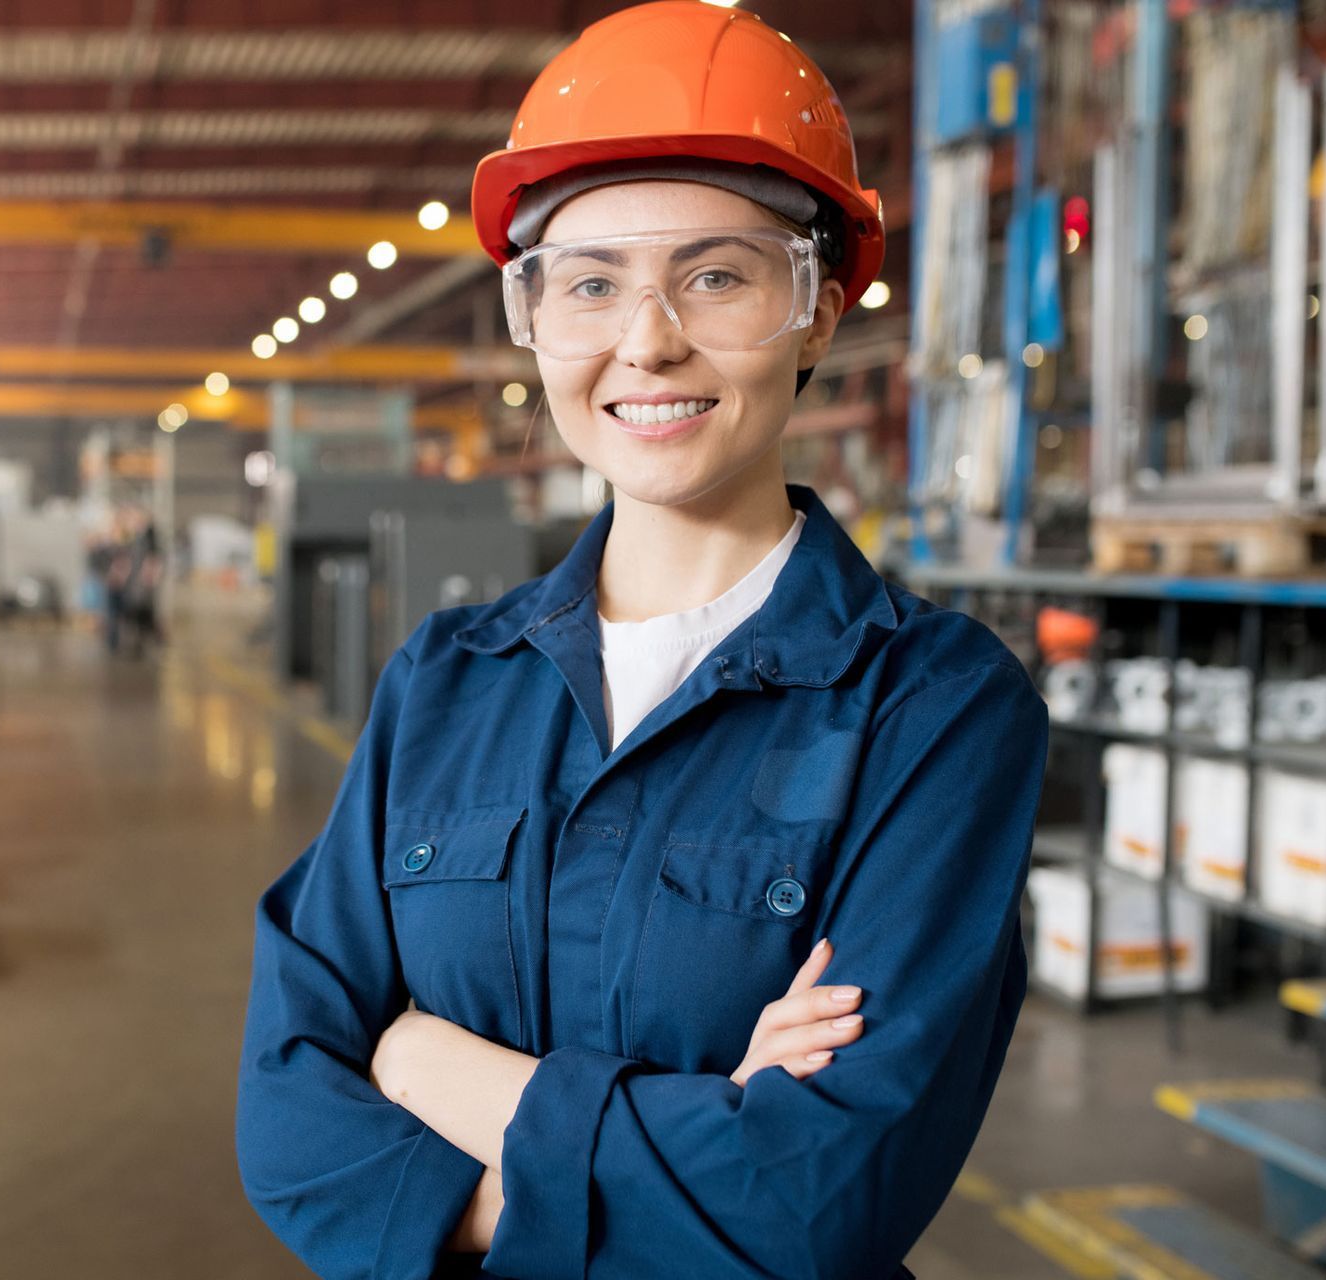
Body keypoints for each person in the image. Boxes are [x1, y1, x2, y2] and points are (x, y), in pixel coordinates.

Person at [235, 6, 1050, 1278]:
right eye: (592, 281)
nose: (647, 338)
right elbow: (290, 1117)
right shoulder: (447, 682)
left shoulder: (934, 708)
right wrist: (698, 1130)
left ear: (820, 311)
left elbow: (815, 1202)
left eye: (717, 274)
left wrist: (417, 1056)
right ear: (535, 316)